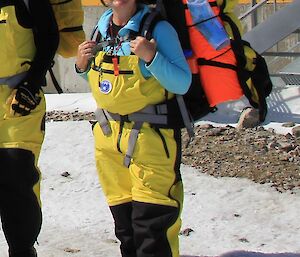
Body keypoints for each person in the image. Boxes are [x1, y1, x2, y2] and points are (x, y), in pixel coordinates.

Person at [75, 0, 192, 256]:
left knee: (151, 229)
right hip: (109, 142)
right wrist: (81, 66)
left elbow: (182, 82)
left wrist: (152, 57)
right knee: (126, 230)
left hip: (151, 141)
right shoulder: (100, 29)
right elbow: (105, 80)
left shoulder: (158, 30)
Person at [0, 0, 59, 256]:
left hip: (18, 104)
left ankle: (22, 249)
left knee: (18, 176)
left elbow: (49, 37)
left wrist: (31, 85)